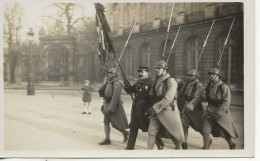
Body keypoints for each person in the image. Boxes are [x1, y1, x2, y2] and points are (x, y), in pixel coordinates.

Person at [145, 60, 185, 150]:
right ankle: (148, 152)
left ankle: (180, 151)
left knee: (174, 134)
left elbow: (168, 98)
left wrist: (154, 109)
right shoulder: (157, 80)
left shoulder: (171, 81)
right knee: (151, 131)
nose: (156, 70)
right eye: (156, 68)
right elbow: (155, 94)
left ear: (164, 70)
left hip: (168, 110)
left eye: (158, 68)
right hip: (157, 110)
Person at [124, 65, 164, 150]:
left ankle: (160, 144)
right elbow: (131, 90)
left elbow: (154, 97)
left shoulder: (151, 82)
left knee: (150, 128)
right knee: (133, 127)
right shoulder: (139, 82)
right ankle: (129, 147)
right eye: (139, 72)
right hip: (135, 108)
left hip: (145, 109)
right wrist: (126, 86)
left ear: (147, 73)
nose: (140, 74)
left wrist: (151, 96)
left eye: (142, 72)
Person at [201, 68, 238, 149]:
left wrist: (217, 114)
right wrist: (203, 95)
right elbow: (207, 98)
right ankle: (206, 147)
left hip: (220, 112)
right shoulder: (210, 86)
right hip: (209, 111)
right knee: (205, 130)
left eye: (213, 74)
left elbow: (226, 103)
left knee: (223, 131)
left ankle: (231, 143)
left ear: (218, 76)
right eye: (210, 74)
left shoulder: (224, 87)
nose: (211, 76)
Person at [98, 67, 129, 145]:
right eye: (108, 73)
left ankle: (125, 133)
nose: (109, 74)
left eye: (111, 73)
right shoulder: (108, 82)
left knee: (117, 124)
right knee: (106, 122)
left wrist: (111, 109)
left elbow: (116, 97)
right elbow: (103, 94)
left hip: (114, 107)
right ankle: (107, 139)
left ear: (114, 75)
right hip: (107, 104)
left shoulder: (117, 83)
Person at [179, 69, 204, 149]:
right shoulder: (189, 84)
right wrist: (186, 84)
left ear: (195, 76)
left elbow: (197, 98)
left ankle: (207, 139)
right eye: (188, 76)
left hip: (195, 109)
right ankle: (184, 143)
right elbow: (182, 93)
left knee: (198, 126)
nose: (189, 77)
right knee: (184, 125)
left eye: (191, 76)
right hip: (187, 107)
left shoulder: (198, 85)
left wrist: (189, 107)